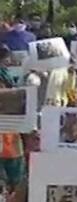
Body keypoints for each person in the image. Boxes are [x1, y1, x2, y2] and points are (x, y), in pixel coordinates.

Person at [0, 45, 25, 190]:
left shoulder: (6, 75)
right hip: (8, 131)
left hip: (9, 129)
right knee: (13, 171)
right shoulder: (4, 76)